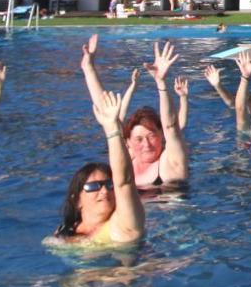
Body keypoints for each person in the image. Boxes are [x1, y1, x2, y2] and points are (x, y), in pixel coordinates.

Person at [80, 35, 188, 188]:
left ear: (161, 136)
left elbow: (171, 126)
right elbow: (107, 115)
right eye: (138, 139)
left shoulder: (169, 163)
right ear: (128, 143)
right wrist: (88, 68)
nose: (147, 144)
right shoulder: (128, 161)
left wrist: (161, 82)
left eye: (152, 136)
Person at [52, 91, 146, 245]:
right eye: (93, 186)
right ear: (76, 200)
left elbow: (125, 181)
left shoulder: (123, 225)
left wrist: (112, 130)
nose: (104, 191)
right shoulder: (64, 232)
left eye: (109, 185)